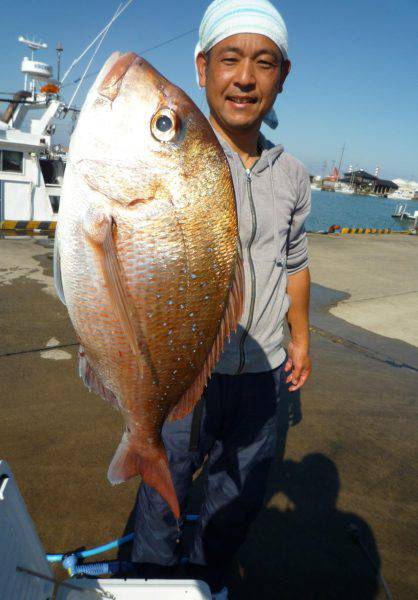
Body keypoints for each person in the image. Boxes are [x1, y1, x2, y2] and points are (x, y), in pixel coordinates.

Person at [130, 1, 312, 597]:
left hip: (263, 369)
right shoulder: (174, 157)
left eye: (264, 63)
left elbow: (295, 262)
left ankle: (204, 579)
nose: (245, 77)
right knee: (163, 488)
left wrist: (301, 338)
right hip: (189, 372)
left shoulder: (294, 175)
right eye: (230, 59)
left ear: (283, 75)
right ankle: (156, 582)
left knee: (240, 493)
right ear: (202, 67)